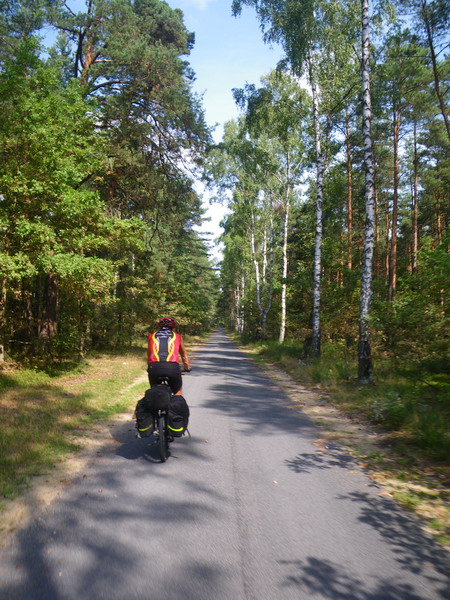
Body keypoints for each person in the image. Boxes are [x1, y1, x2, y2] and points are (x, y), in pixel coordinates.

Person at [147, 317, 191, 396]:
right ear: (173, 327)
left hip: (154, 367)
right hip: (172, 366)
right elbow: (183, 356)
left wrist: (149, 368)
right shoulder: (177, 336)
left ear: (159, 326)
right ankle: (179, 406)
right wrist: (187, 366)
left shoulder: (151, 336)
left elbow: (149, 354)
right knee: (178, 392)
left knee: (154, 391)